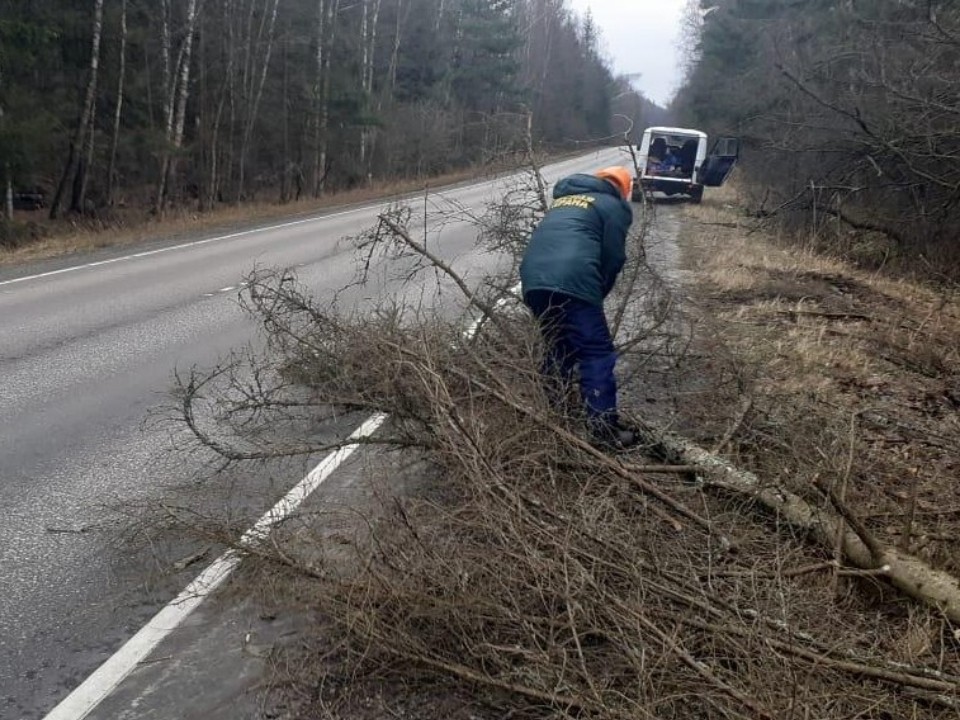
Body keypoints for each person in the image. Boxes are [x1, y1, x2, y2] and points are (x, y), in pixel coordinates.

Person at [519, 166, 639, 450]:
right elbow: (612, 257)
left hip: (533, 282)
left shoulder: (562, 201)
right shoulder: (614, 205)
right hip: (573, 281)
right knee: (596, 352)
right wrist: (596, 293)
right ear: (623, 188)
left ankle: (554, 413)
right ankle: (602, 431)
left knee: (560, 346)